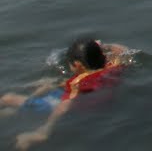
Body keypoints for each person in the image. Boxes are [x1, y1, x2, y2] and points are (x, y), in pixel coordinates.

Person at [1, 38, 129, 150]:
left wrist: (44, 130)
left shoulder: (77, 82)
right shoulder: (113, 66)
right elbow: (123, 50)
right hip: (95, 101)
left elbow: (64, 105)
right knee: (47, 86)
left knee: (8, 98)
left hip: (72, 107)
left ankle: (18, 109)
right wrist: (101, 47)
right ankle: (16, 110)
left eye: (71, 64)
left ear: (77, 65)